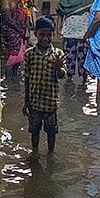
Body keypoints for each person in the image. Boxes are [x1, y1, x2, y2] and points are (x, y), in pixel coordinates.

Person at [22, 16, 67, 153]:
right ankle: (35, 152)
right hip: (35, 103)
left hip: (51, 104)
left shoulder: (57, 54)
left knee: (51, 132)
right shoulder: (29, 54)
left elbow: (63, 76)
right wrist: (26, 101)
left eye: (49, 35)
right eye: (42, 35)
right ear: (36, 34)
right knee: (34, 131)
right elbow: (27, 79)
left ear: (53, 34)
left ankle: (50, 153)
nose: (45, 38)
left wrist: (58, 68)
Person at [55, 0, 94, 85]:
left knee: (83, 59)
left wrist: (91, 32)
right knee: (69, 59)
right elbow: (60, 15)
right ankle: (69, 82)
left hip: (83, 34)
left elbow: (93, 14)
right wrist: (58, 29)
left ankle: (84, 84)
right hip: (69, 33)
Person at [0, 0, 28, 76]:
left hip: (19, 32)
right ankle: (9, 83)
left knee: (18, 59)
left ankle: (14, 80)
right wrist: (19, 29)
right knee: (11, 58)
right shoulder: (6, 0)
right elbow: (7, 18)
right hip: (11, 33)